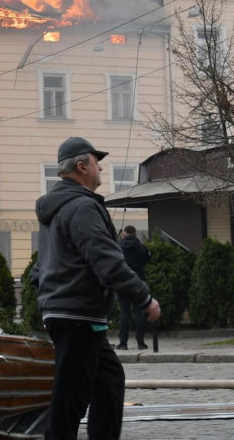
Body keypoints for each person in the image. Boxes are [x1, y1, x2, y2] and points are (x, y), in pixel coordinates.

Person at [33, 137, 161, 440]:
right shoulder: (81, 208)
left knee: (108, 381)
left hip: (72, 313)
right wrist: (144, 298)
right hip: (78, 314)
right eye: (95, 161)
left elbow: (39, 268)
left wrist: (47, 304)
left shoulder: (58, 208)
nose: (100, 166)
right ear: (81, 167)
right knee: (69, 401)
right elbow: (107, 261)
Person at [116, 225, 151, 350]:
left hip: (123, 282)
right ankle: (141, 343)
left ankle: (123, 343)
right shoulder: (142, 247)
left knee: (124, 312)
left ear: (124, 233)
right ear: (135, 234)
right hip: (138, 283)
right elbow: (147, 260)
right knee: (139, 313)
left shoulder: (118, 247)